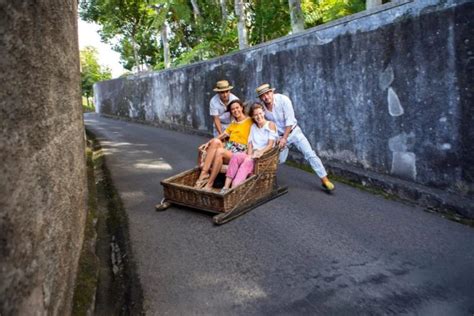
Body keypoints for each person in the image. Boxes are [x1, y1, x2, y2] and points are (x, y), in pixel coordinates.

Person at [255, 83, 335, 191]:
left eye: (267, 93)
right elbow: (267, 124)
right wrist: (277, 137)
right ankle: (266, 181)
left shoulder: (283, 100)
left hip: (293, 132)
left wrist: (285, 138)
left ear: (271, 92)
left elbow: (290, 120)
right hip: (279, 137)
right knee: (278, 159)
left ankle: (324, 180)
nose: (266, 97)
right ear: (260, 98)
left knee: (309, 154)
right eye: (263, 95)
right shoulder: (262, 109)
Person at [195, 100, 253, 190]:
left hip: (239, 153)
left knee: (220, 152)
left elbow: (261, 122)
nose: (235, 110)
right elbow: (223, 135)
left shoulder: (250, 120)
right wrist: (207, 143)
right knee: (215, 141)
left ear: (242, 107)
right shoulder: (234, 123)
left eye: (237, 107)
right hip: (229, 148)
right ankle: (204, 173)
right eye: (232, 109)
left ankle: (209, 184)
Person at [221, 103, 278, 193]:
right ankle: (225, 187)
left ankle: (234, 187)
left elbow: (270, 145)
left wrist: (259, 152)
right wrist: (249, 154)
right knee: (236, 156)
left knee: (248, 161)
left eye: (260, 113)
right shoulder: (253, 127)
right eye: (256, 115)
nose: (259, 116)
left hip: (262, 155)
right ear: (253, 117)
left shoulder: (270, 125)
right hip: (252, 154)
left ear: (263, 112)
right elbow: (250, 144)